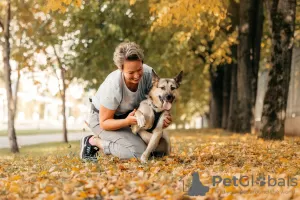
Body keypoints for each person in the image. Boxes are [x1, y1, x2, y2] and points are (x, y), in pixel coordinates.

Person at [80, 42, 172, 161]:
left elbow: (158, 99)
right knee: (138, 153)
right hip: (102, 119)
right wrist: (126, 121)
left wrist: (164, 117)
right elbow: (105, 122)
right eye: (130, 72)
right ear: (120, 69)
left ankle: (123, 141)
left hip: (131, 118)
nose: (136, 75)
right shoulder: (113, 85)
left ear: (142, 63)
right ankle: (93, 141)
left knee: (160, 149)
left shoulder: (149, 74)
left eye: (139, 69)